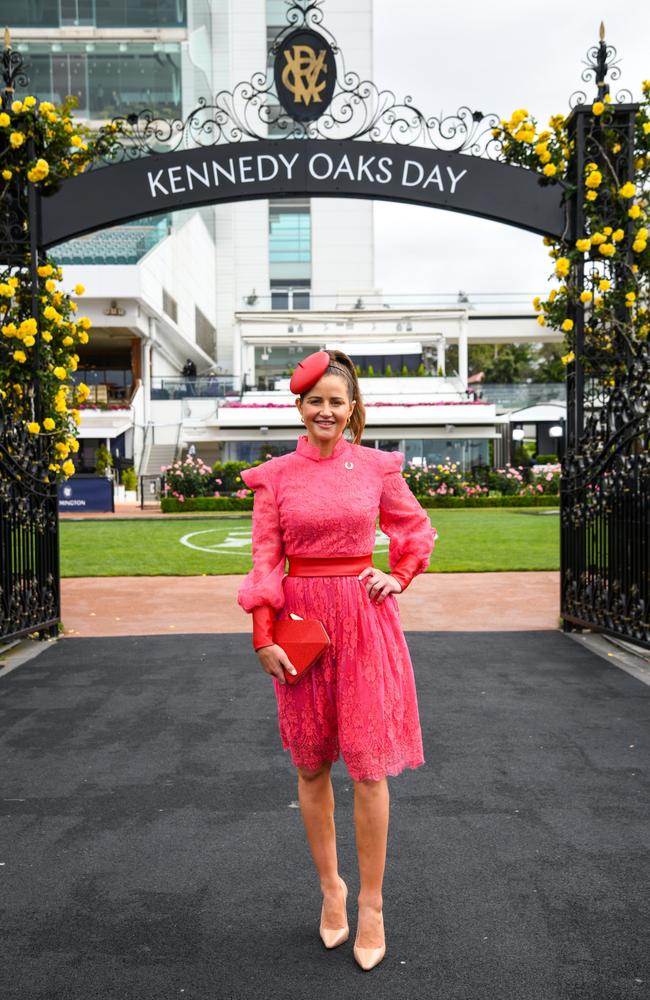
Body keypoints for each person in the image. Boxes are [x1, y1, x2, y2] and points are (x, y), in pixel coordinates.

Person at [236, 349, 438, 971]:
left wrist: (398, 575)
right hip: (302, 628)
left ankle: (372, 906)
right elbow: (266, 560)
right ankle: (332, 891)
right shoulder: (275, 477)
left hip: (363, 621)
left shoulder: (377, 467)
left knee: (369, 768)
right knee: (311, 765)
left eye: (336, 400)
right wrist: (262, 633)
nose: (326, 410)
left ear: (352, 409)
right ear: (299, 406)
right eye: (315, 400)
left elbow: (416, 529)